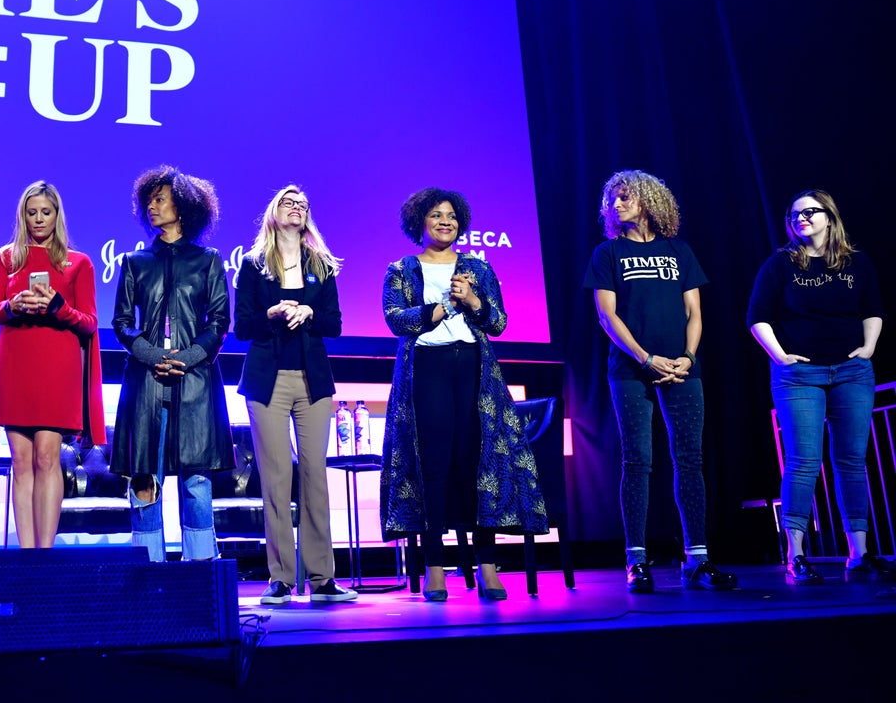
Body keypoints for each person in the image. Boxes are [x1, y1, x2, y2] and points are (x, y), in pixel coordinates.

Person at [380, 188, 547, 601]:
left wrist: (472, 300)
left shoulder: (478, 268)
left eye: (452, 216)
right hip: (427, 368)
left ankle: (488, 566)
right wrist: (436, 308)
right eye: (436, 215)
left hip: (472, 367)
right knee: (434, 467)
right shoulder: (401, 268)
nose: (445, 222)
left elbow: (500, 322)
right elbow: (394, 319)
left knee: (476, 464)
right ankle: (435, 569)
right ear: (419, 222)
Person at [583, 169, 736, 593]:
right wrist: (646, 358)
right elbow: (607, 316)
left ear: (649, 199)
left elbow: (695, 313)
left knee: (689, 460)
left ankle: (698, 560)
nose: (616, 204)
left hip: (683, 370)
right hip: (631, 370)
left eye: (625, 196)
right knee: (637, 461)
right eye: (612, 199)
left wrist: (687, 357)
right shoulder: (607, 254)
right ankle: (636, 560)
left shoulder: (679, 250)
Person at [747, 189, 889, 584]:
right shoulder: (780, 265)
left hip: (851, 372)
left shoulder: (856, 263)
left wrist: (868, 348)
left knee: (851, 462)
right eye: (795, 215)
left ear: (830, 217)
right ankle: (796, 555)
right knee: (803, 461)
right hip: (799, 375)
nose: (802, 219)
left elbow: (873, 309)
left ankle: (858, 554)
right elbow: (757, 317)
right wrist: (780, 356)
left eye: (810, 212)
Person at [236, 185, 356, 604]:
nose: (298, 208)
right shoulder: (253, 265)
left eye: (303, 204)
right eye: (289, 202)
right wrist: (270, 314)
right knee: (275, 479)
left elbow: (335, 324)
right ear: (274, 212)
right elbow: (242, 327)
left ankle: (322, 579)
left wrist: (310, 312)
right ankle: (282, 578)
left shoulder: (320, 265)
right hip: (268, 381)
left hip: (313, 382)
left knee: (314, 477)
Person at [112, 166, 233, 562]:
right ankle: (146, 579)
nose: (152, 205)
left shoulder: (208, 260)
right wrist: (152, 355)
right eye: (149, 199)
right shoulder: (135, 261)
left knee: (196, 482)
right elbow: (122, 323)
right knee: (145, 478)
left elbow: (218, 321)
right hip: (145, 383)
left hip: (194, 381)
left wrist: (188, 358)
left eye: (160, 199)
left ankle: (202, 576)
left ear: (182, 207)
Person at [0, 181, 104, 549]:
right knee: (21, 460)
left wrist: (57, 307)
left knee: (47, 457)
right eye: (31, 212)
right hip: (15, 365)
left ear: (57, 216)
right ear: (23, 215)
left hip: (57, 369)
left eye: (45, 212)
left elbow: (90, 322)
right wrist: (13, 305)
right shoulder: (7, 258)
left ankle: (44, 556)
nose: (38, 219)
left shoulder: (78, 262)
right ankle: (26, 554)